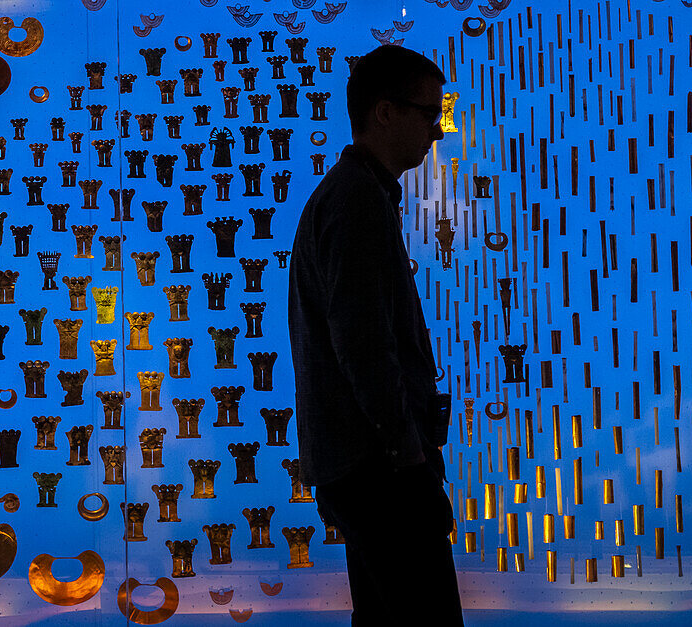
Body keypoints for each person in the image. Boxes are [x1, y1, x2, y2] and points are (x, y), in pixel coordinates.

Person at [287, 44, 464, 626]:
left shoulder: (354, 195)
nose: (437, 132)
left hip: (364, 466)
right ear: (384, 113)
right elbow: (363, 344)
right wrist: (407, 454)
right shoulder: (358, 200)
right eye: (428, 113)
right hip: (381, 470)